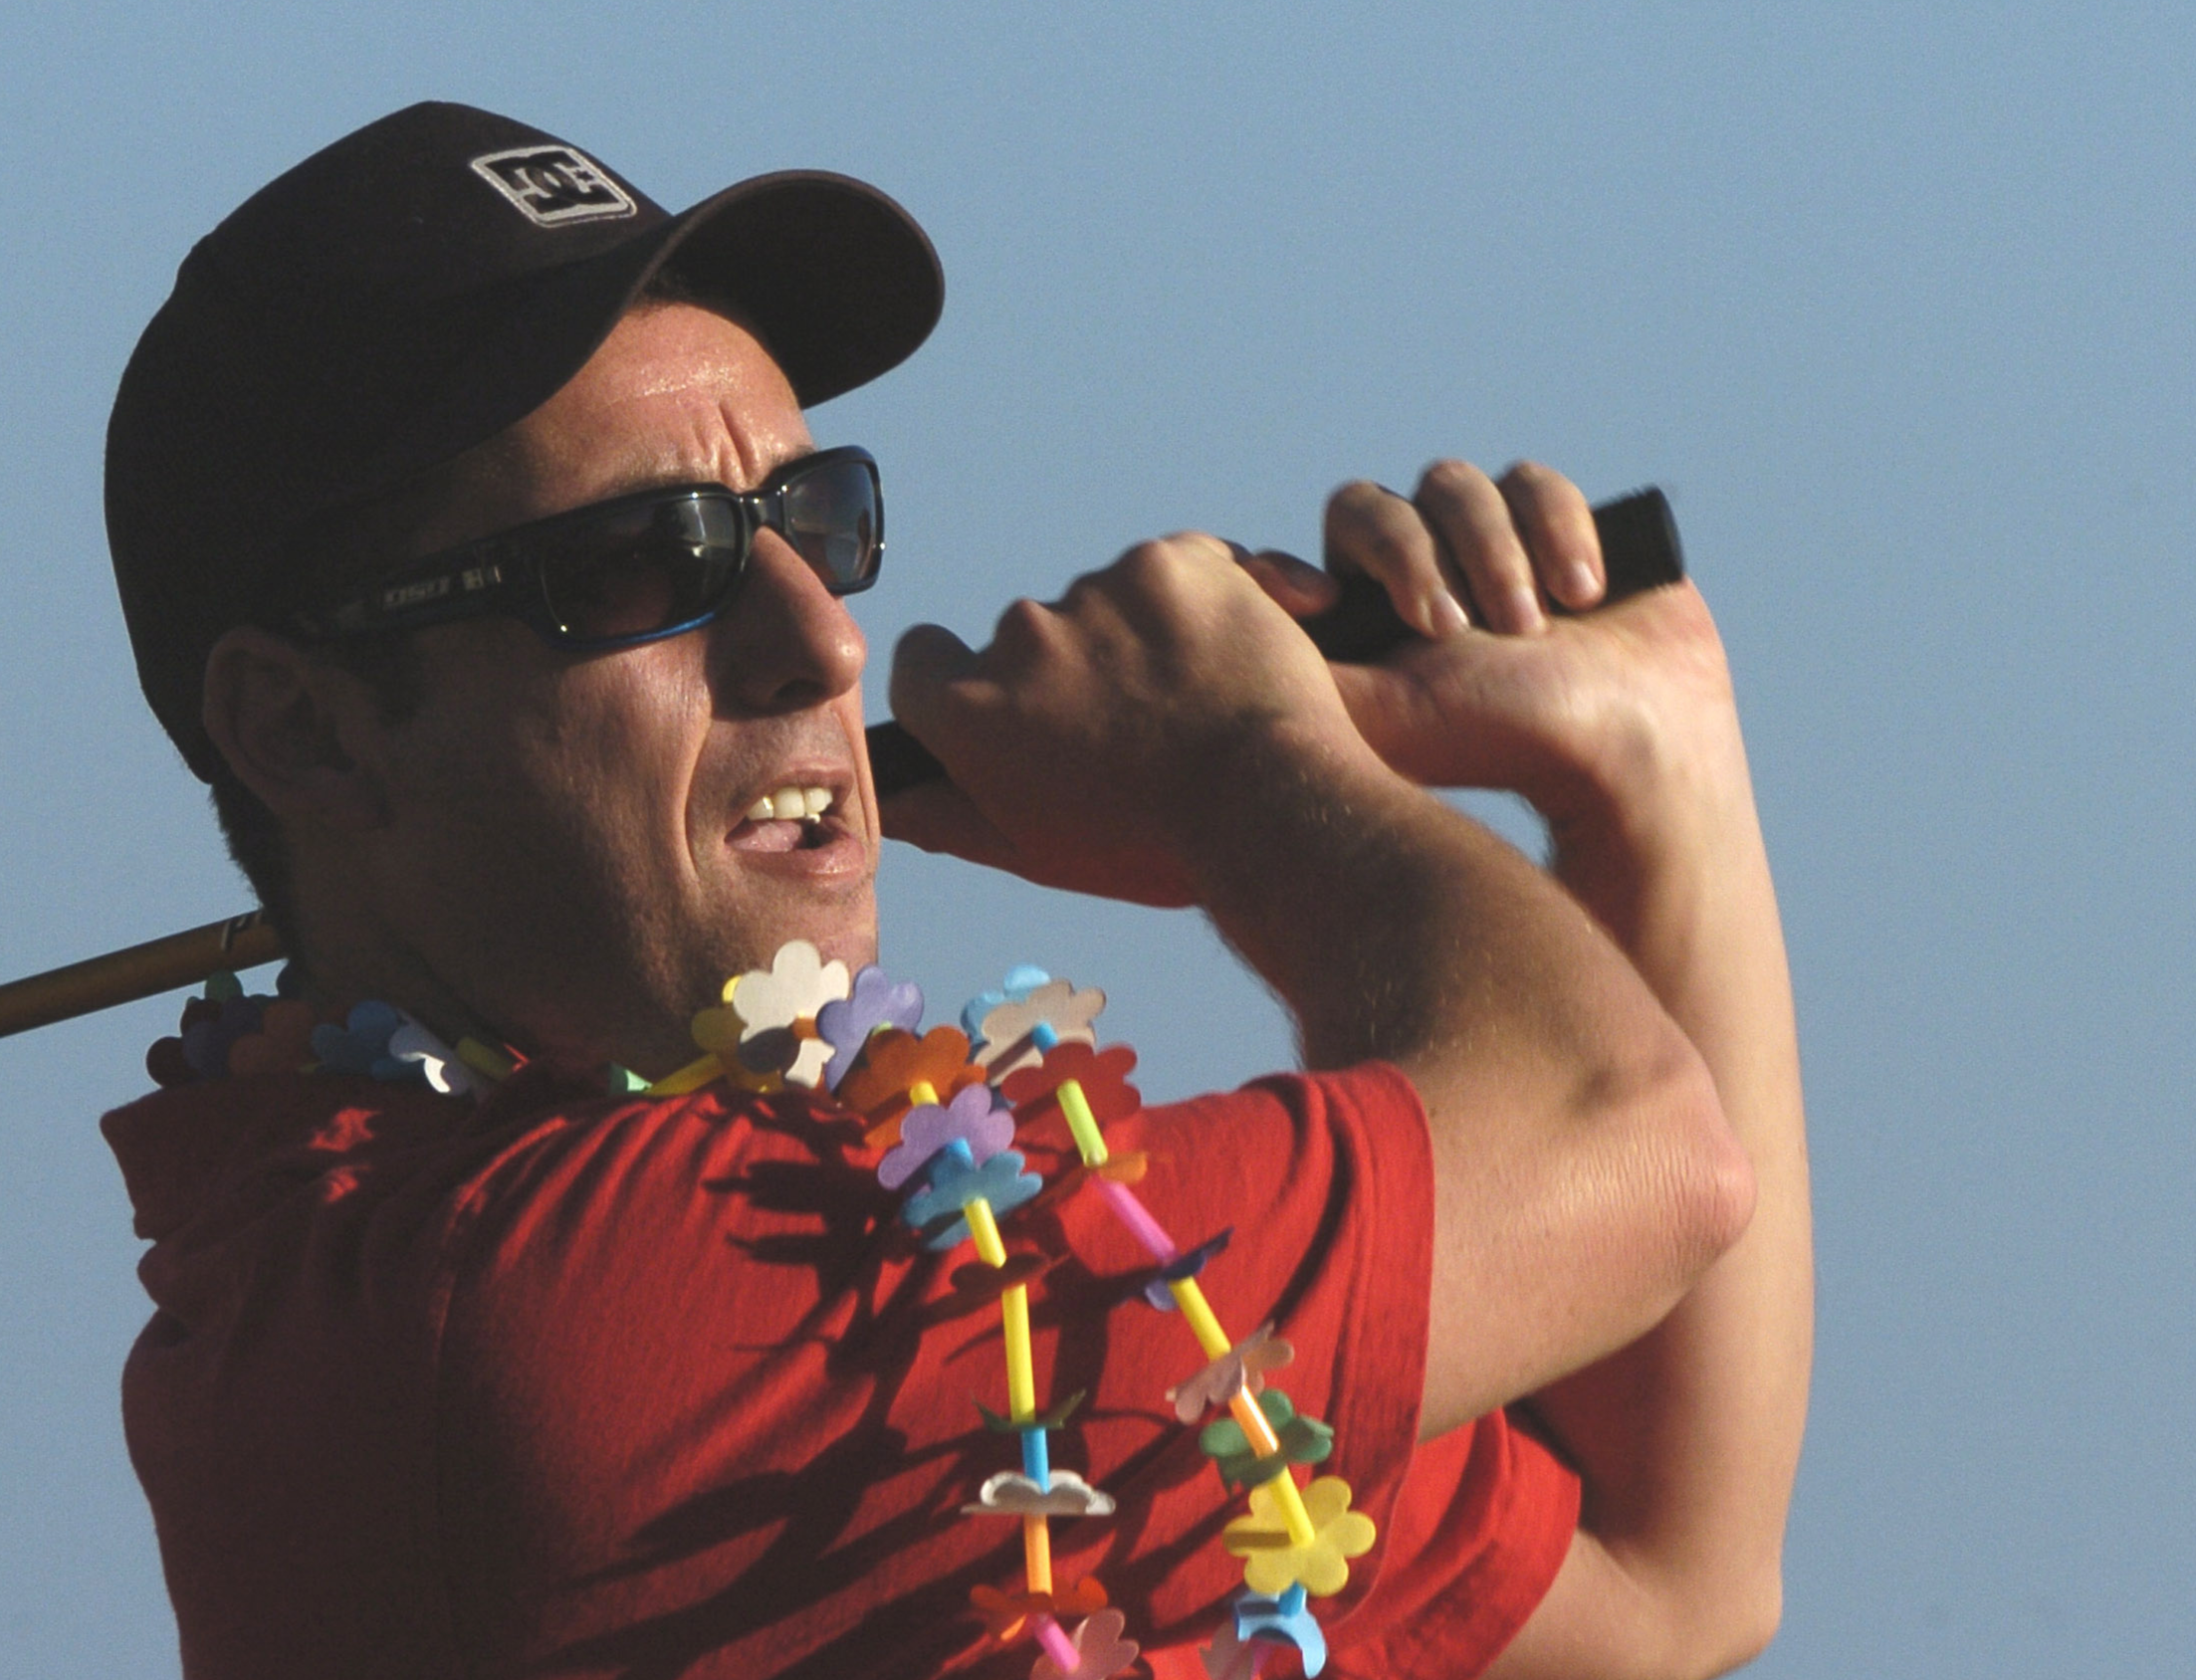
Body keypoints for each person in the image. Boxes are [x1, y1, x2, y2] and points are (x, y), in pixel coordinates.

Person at [100, 102, 1809, 1680]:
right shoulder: (544, 1312)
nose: (821, 642)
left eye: (812, 519)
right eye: (648, 560)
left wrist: (1650, 766)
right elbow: (1626, 1143)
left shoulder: (811, 1282)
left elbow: (1665, 1575)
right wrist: (1243, 774)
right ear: (304, 729)